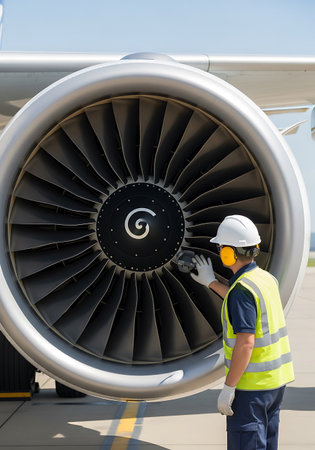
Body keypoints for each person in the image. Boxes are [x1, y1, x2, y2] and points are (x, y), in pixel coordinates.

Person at [190, 214, 294, 450]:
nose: (219, 251)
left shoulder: (242, 291)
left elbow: (245, 343)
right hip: (275, 384)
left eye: (221, 247)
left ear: (230, 253)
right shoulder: (266, 280)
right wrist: (211, 283)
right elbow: (246, 303)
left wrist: (229, 387)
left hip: (252, 390)